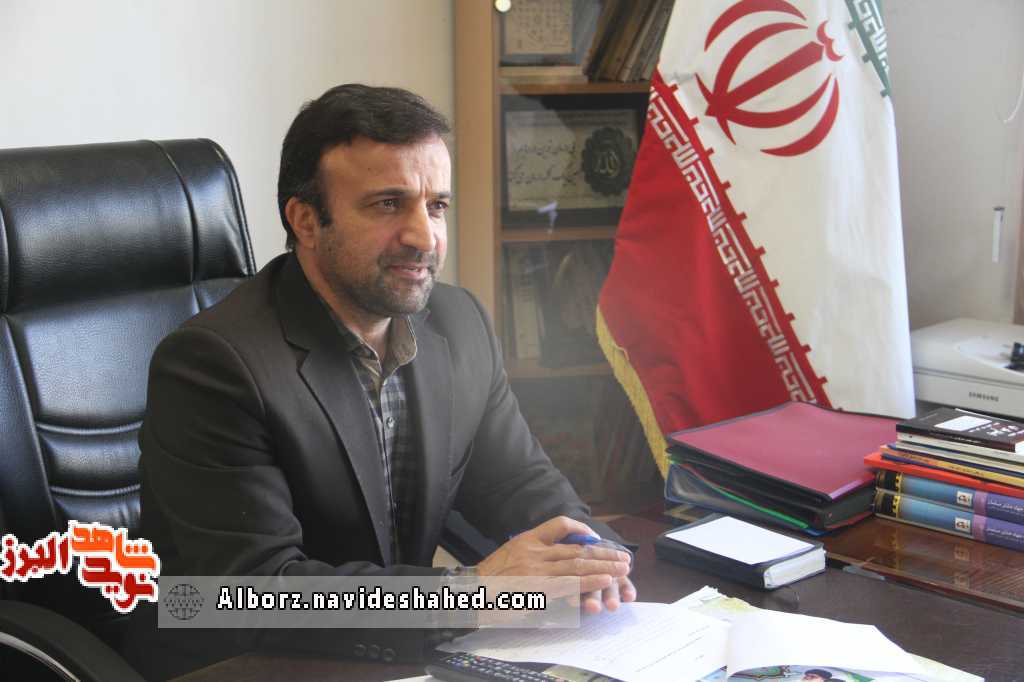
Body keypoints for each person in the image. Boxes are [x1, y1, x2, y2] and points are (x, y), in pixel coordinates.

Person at [126, 84, 635, 678]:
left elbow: (516, 482)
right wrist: (473, 593)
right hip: (242, 662)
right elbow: (257, 596)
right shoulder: (213, 365)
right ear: (306, 221)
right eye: (389, 204)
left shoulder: (459, 322)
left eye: (436, 206)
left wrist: (595, 556)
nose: (424, 236)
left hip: (399, 654)